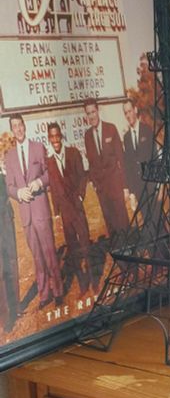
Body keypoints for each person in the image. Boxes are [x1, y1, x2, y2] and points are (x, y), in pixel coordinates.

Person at [4, 113, 63, 310]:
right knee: (37, 256)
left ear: (24, 126)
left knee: (49, 252)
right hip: (26, 215)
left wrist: (39, 182)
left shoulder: (38, 148)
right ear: (12, 130)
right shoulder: (9, 156)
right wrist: (18, 192)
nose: (18, 129)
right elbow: (9, 186)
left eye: (20, 125)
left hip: (40, 210)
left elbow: (49, 173)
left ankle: (58, 291)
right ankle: (44, 293)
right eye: (15, 126)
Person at [47, 122, 91, 296]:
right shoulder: (49, 162)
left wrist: (80, 196)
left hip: (77, 206)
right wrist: (56, 214)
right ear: (49, 139)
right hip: (65, 211)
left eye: (57, 135)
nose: (55, 139)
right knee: (72, 247)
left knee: (85, 242)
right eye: (52, 136)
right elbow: (53, 189)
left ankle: (90, 275)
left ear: (61, 136)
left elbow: (82, 176)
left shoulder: (73, 153)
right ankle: (81, 280)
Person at [83, 99, 129, 242]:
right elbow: (91, 164)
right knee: (111, 227)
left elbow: (122, 159)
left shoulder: (111, 129)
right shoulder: (88, 136)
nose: (92, 116)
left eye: (93, 112)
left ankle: (131, 256)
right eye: (88, 113)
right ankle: (119, 257)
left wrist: (125, 186)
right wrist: (96, 185)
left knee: (122, 223)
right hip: (102, 191)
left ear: (98, 111)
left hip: (116, 187)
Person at [122, 99, 153, 210]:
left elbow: (154, 157)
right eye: (125, 113)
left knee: (157, 220)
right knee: (145, 221)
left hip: (151, 185)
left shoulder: (147, 130)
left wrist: (159, 185)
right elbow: (128, 165)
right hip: (138, 189)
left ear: (135, 110)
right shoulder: (126, 138)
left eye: (130, 111)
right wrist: (132, 193)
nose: (128, 115)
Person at [0, 169, 20, 332]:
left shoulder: (2, 177)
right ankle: (5, 317)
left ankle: (16, 308)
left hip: (6, 223)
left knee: (12, 265)